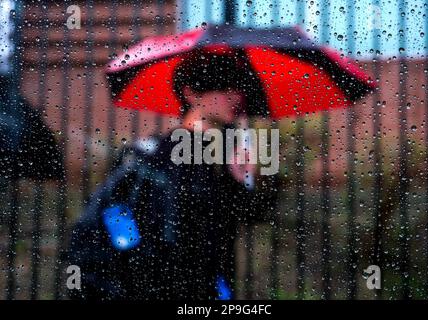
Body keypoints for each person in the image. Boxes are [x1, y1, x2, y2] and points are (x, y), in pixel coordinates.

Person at [68, 54, 276, 300]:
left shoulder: (219, 157)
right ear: (191, 93)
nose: (236, 97)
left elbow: (240, 219)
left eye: (238, 88)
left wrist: (242, 180)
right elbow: (146, 226)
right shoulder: (160, 154)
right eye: (223, 87)